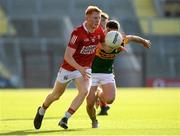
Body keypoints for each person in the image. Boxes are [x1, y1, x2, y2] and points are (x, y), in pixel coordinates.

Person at [33, 5, 111, 130]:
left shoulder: (99, 31)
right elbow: (68, 56)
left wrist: (115, 45)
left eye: (99, 18)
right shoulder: (77, 33)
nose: (97, 21)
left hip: (85, 69)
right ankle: (42, 110)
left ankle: (65, 118)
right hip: (69, 68)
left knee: (84, 91)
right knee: (55, 96)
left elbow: (105, 47)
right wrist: (79, 68)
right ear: (87, 17)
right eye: (95, 18)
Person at [86, 20, 151, 128]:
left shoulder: (120, 40)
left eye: (114, 31)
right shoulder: (99, 39)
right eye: (109, 31)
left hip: (107, 73)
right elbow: (103, 48)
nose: (112, 33)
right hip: (92, 73)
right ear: (105, 30)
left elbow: (132, 37)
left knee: (110, 100)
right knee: (89, 104)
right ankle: (94, 120)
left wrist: (143, 41)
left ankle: (98, 93)